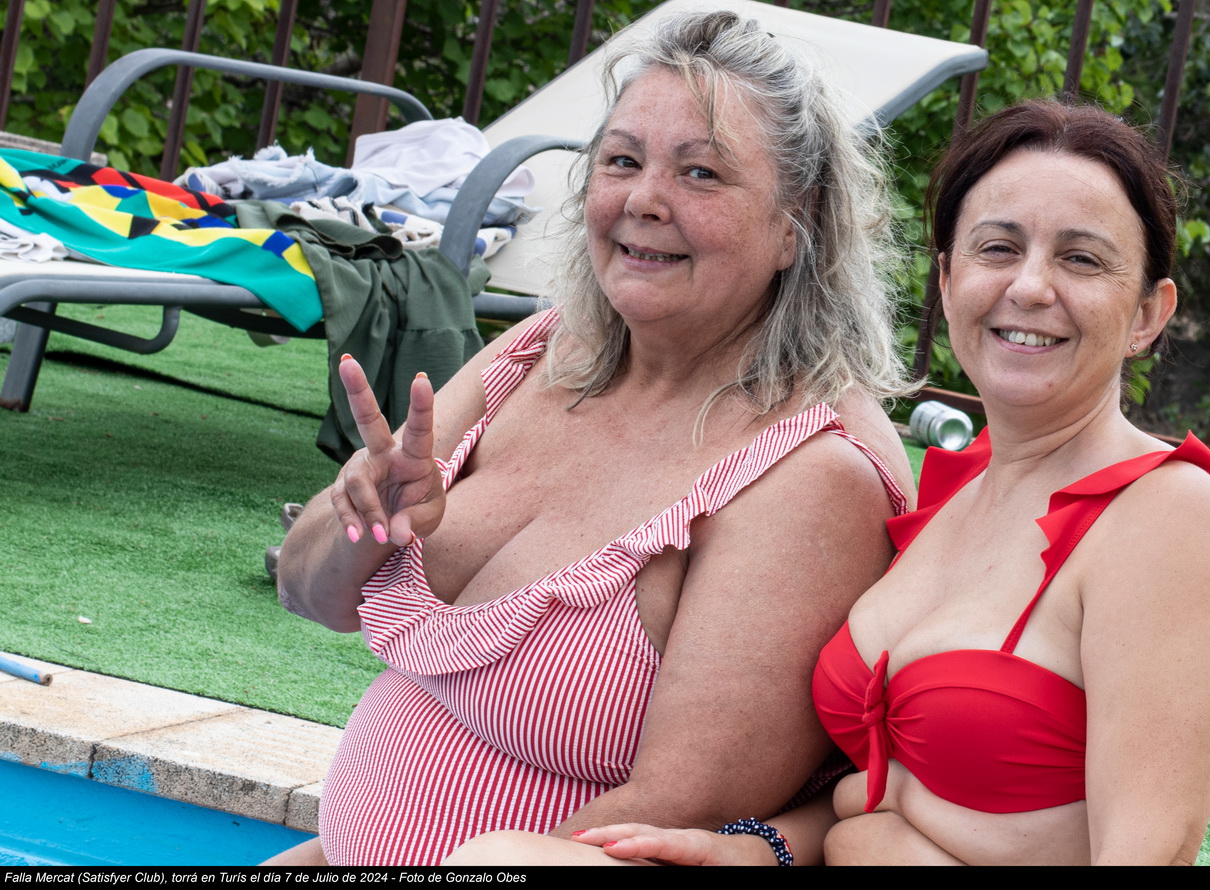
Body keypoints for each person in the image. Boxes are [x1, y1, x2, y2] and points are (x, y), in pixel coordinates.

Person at [529, 99, 1210, 866]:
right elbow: (891, 791)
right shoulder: (954, 492)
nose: (1031, 287)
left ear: (1148, 314)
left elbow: (1152, 850)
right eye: (998, 248)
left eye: (1081, 259)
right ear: (947, 279)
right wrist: (757, 850)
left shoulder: (1166, 514)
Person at [268, 10, 915, 866]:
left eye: (701, 172)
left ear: (797, 224)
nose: (643, 200)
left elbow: (671, 818)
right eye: (621, 161)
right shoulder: (543, 353)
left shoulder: (812, 475)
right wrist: (364, 524)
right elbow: (307, 594)